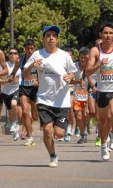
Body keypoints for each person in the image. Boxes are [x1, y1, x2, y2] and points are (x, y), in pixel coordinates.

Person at [24, 25, 77, 167]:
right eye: (48, 35)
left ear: (57, 39)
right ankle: (53, 156)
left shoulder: (64, 56)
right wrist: (31, 66)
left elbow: (73, 72)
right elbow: (25, 74)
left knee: (59, 133)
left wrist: (69, 76)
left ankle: (56, 135)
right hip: (44, 99)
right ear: (43, 39)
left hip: (62, 100)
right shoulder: (37, 55)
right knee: (47, 130)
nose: (51, 38)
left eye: (54, 35)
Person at [86, 22, 113, 161]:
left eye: (111, 33)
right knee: (102, 120)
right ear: (101, 34)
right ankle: (104, 145)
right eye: (105, 33)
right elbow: (87, 71)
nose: (108, 36)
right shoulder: (95, 51)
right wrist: (99, 64)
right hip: (102, 91)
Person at [19, 39, 39, 146]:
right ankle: (30, 137)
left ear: (34, 48)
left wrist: (38, 81)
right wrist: (12, 75)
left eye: (32, 48)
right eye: (27, 48)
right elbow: (16, 70)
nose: (30, 50)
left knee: (35, 116)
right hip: (24, 87)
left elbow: (44, 73)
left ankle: (32, 117)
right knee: (25, 112)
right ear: (25, 49)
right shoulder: (22, 59)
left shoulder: (39, 59)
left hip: (35, 89)